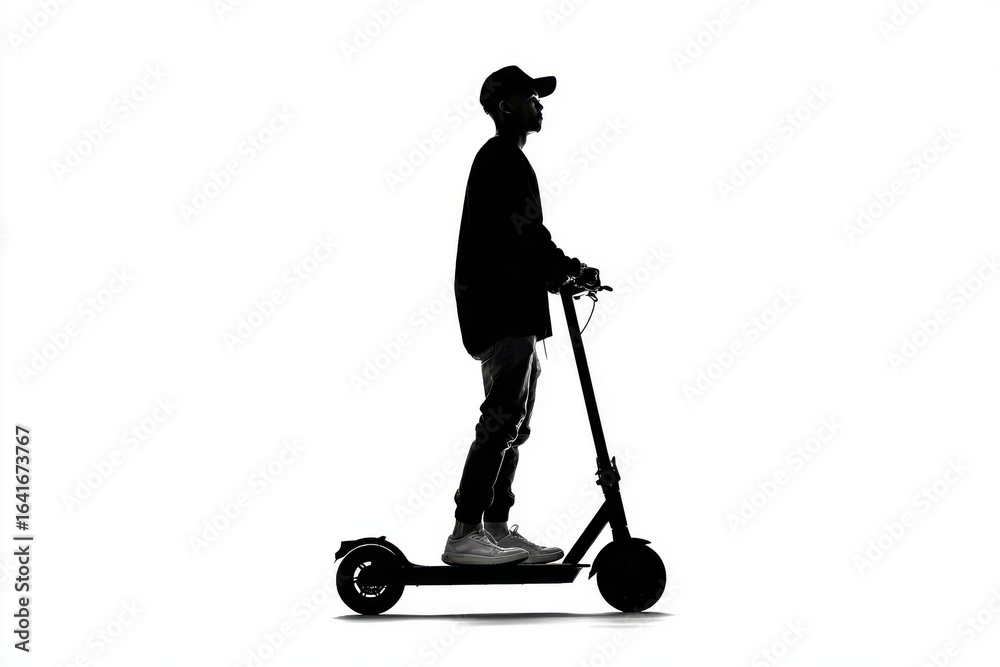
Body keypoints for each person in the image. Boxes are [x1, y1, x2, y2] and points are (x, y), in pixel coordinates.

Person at [443, 65, 598, 565]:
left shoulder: (507, 160)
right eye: (531, 97)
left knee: (515, 425)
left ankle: (495, 529)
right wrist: (567, 268)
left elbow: (523, 238)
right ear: (505, 106)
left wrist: (561, 271)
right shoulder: (500, 158)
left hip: (517, 312)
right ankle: (464, 534)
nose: (540, 104)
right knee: (501, 420)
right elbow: (526, 234)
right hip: (501, 310)